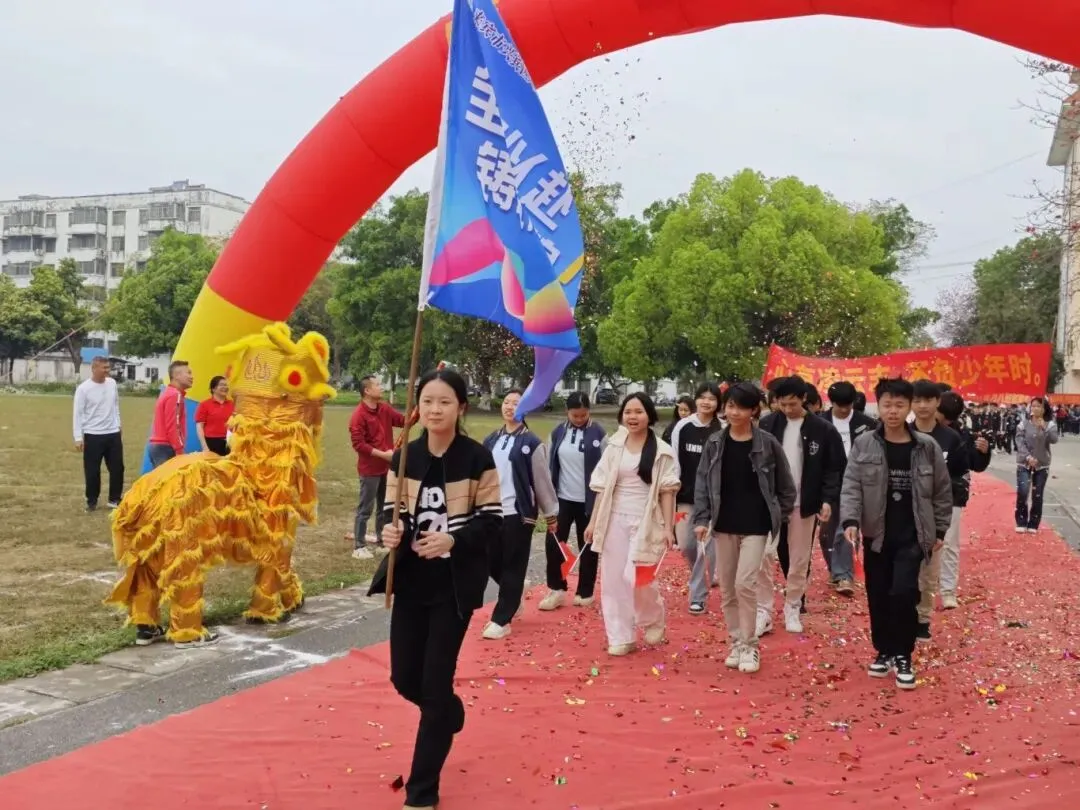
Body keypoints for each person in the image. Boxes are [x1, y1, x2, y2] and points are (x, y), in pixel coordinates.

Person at [369, 368, 502, 810]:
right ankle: (451, 713)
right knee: (405, 678)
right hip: (410, 583)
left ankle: (421, 793)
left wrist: (453, 539)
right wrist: (393, 534)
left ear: (461, 407)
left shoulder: (476, 458)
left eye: (444, 402)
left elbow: (491, 520)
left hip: (453, 588)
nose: (434, 410)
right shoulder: (404, 457)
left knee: (433, 681)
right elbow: (394, 514)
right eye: (427, 401)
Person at [840, 378, 952, 691]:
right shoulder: (865, 444)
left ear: (910, 407)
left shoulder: (926, 447)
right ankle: (884, 649)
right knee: (878, 594)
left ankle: (903, 654)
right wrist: (850, 519)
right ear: (879, 405)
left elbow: (943, 492)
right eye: (887, 404)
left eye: (899, 405)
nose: (893, 411)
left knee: (903, 593)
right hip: (877, 535)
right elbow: (851, 485)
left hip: (913, 535)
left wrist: (940, 528)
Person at [692, 382, 796, 674]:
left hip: (757, 526)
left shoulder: (767, 444)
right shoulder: (714, 443)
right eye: (730, 406)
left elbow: (786, 487)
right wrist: (701, 519)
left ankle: (750, 645)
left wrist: (779, 515)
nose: (733, 412)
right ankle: (736, 642)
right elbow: (702, 483)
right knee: (727, 589)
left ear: (754, 410)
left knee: (744, 584)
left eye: (740, 406)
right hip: (724, 524)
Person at [583, 393, 680, 656]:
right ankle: (621, 636)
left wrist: (669, 528)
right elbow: (602, 487)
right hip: (614, 518)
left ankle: (652, 618)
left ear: (649, 415)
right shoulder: (614, 446)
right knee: (613, 579)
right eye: (628, 412)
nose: (632, 417)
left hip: (646, 520)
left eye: (638, 412)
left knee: (636, 576)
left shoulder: (661, 450)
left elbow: (668, 491)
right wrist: (593, 522)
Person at [757, 376, 844, 633]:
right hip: (770, 502)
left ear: (804, 398)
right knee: (763, 556)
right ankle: (763, 610)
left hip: (804, 503)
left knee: (799, 559)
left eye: (792, 404)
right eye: (782, 404)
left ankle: (793, 605)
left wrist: (828, 499)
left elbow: (834, 468)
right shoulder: (767, 424)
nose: (787, 409)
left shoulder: (823, 429)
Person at [481, 390, 559, 640]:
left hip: (518, 513)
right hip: (491, 512)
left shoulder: (532, 444)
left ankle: (502, 619)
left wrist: (551, 514)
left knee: (514, 565)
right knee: (490, 560)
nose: (510, 407)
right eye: (506, 402)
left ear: (525, 408)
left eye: (516, 403)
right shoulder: (491, 439)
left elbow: (542, 481)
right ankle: (514, 593)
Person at [909, 380, 969, 644]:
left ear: (937, 403)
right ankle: (905, 616)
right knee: (904, 568)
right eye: (917, 400)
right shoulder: (899, 432)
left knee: (929, 569)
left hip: (935, 513)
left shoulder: (950, 438)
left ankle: (923, 618)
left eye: (928, 400)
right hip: (903, 510)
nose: (922, 406)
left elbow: (956, 478)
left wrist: (943, 521)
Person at [539, 392, 606, 611]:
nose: (579, 419)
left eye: (583, 415)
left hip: (589, 500)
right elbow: (550, 463)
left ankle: (585, 592)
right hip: (563, 499)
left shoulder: (599, 433)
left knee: (588, 545)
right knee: (555, 544)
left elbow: (608, 467)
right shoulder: (558, 432)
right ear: (567, 412)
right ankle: (556, 589)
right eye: (575, 415)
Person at [669, 382, 724, 615]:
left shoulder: (722, 428)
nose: (706, 402)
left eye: (712, 398)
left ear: (718, 403)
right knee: (687, 545)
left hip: (714, 500)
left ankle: (698, 595)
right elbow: (674, 463)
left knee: (705, 547)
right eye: (702, 397)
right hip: (686, 497)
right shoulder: (682, 427)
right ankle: (704, 574)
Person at [820, 380, 878, 592]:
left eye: (848, 405)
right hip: (828, 483)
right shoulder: (821, 422)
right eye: (839, 405)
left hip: (856, 482)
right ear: (831, 402)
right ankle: (835, 568)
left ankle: (844, 575)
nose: (844, 410)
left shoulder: (867, 424)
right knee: (826, 531)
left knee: (846, 527)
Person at [936, 391, 991, 610]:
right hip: (919, 494)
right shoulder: (916, 430)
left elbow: (975, 464)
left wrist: (984, 453)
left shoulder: (963, 435)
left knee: (949, 543)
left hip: (952, 495)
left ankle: (948, 590)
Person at [349, 375, 406, 560]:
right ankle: (359, 546)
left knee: (384, 507)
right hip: (370, 469)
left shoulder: (384, 409)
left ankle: (382, 541)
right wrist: (383, 455)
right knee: (366, 508)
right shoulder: (359, 415)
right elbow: (359, 444)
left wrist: (419, 408)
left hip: (386, 468)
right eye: (378, 385)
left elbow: (404, 421)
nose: (381, 388)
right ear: (367, 391)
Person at [73, 355, 124, 511]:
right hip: (93, 434)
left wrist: (118, 424)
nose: (107, 371)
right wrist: (78, 437)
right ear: (94, 368)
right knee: (93, 471)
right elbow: (78, 413)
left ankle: (114, 499)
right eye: (104, 368)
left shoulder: (112, 384)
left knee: (117, 468)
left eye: (108, 367)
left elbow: (115, 405)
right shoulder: (83, 389)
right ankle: (92, 501)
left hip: (112, 433)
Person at [1015, 396, 1059, 534]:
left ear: (1044, 409)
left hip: (1042, 464)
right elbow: (1019, 442)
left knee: (1037, 494)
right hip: (1024, 463)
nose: (1035, 408)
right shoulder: (1023, 424)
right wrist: (1028, 457)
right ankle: (1021, 521)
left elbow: (1054, 440)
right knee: (1023, 491)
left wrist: (1044, 428)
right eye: (1033, 405)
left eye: (1038, 406)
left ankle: (1033, 523)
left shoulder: (1050, 424)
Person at [148, 360, 193, 468]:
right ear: (176, 376)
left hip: (159, 447)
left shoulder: (168, 393)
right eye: (189, 373)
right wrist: (179, 450)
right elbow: (173, 425)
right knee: (169, 484)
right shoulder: (174, 395)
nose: (192, 377)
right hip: (166, 448)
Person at [194, 375, 234, 456]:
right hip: (211, 442)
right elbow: (199, 427)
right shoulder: (204, 404)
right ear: (213, 389)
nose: (225, 387)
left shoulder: (232, 404)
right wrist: (205, 447)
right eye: (222, 385)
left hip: (230, 442)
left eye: (226, 385)